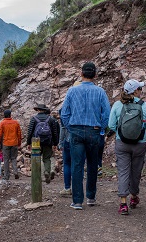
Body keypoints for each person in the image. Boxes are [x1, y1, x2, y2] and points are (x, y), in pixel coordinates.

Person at [61, 62, 110, 210]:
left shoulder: (71, 91)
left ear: (81, 74)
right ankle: (91, 197)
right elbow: (106, 114)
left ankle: (77, 201)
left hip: (75, 130)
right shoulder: (100, 92)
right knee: (92, 164)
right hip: (93, 131)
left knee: (77, 165)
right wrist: (100, 127)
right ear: (95, 75)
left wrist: (71, 128)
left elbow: (64, 114)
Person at [108, 79, 146, 215]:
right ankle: (134, 197)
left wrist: (121, 133)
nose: (141, 91)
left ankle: (123, 204)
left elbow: (111, 125)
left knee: (123, 172)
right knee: (136, 172)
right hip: (140, 144)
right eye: (140, 89)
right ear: (136, 91)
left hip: (122, 144)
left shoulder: (117, 105)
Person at [26, 104, 59, 184]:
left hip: (36, 142)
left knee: (37, 158)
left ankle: (38, 176)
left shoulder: (34, 118)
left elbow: (30, 131)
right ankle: (47, 172)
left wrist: (28, 143)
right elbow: (55, 133)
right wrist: (55, 144)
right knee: (47, 158)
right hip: (48, 142)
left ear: (38, 110)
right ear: (45, 110)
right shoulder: (50, 119)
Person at [0, 109, 22, 180]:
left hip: (6, 143)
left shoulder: (2, 123)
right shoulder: (16, 123)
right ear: (10, 115)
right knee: (13, 158)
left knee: (6, 159)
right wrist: (19, 143)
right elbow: (19, 134)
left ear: (4, 115)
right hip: (14, 143)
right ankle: (15, 172)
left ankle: (6, 175)